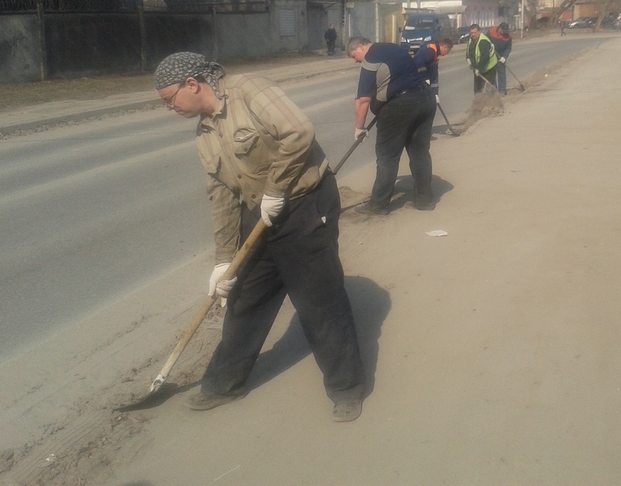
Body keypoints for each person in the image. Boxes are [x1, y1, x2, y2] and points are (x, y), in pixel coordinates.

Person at [153, 52, 365, 421]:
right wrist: (223, 260)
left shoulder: (248, 90)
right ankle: (223, 384)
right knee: (244, 298)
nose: (169, 107)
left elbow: (297, 132)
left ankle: (346, 388)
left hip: (304, 204)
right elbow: (220, 196)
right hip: (261, 213)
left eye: (169, 99)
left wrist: (277, 188)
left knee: (319, 300)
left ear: (192, 84)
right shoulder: (205, 132)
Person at [346, 36, 436, 213]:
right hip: (425, 99)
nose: (355, 61)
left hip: (400, 106)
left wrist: (359, 127)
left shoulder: (370, 59)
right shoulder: (393, 48)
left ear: (361, 47)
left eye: (353, 55)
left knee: (387, 157)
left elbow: (363, 100)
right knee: (420, 152)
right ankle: (425, 200)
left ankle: (378, 205)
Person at [411, 37, 454, 103]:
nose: (447, 53)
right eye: (448, 51)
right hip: (415, 81)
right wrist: (425, 78)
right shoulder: (430, 51)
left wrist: (435, 94)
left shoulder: (434, 53)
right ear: (445, 47)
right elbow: (418, 62)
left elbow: (434, 75)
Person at [465, 23, 498, 94]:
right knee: (477, 88)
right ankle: (478, 102)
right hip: (477, 68)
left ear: (479, 32)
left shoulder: (483, 42)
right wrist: (468, 59)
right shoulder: (471, 39)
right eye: (471, 33)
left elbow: (485, 57)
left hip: (489, 68)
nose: (473, 35)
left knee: (488, 87)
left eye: (475, 33)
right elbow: (468, 50)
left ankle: (493, 102)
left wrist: (479, 68)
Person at [486, 22, 512, 95]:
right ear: (499, 28)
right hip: (491, 56)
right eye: (503, 31)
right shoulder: (491, 32)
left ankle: (502, 90)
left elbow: (508, 48)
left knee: (501, 73)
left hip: (501, 56)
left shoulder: (508, 37)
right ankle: (493, 91)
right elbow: (484, 41)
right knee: (491, 74)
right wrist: (489, 45)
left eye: (506, 32)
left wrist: (504, 57)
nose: (504, 33)